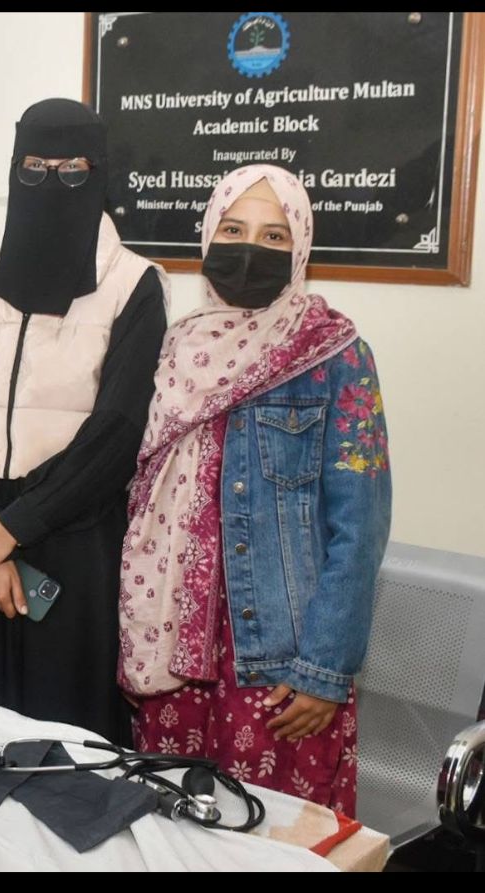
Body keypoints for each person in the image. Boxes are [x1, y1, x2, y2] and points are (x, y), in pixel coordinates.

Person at [120, 165, 392, 815]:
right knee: (173, 831)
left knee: (276, 837)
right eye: (233, 230)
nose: (250, 249)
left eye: (274, 236)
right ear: (207, 237)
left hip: (279, 661)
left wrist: (324, 669)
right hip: (169, 650)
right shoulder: (175, 349)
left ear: (300, 249)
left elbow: (360, 527)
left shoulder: (336, 354)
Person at [0, 99, 168, 744]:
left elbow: (118, 430)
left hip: (70, 543)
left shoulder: (134, 286)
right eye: (34, 168)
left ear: (100, 174)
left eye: (72, 170)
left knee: (62, 751)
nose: (52, 183)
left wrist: (15, 528)